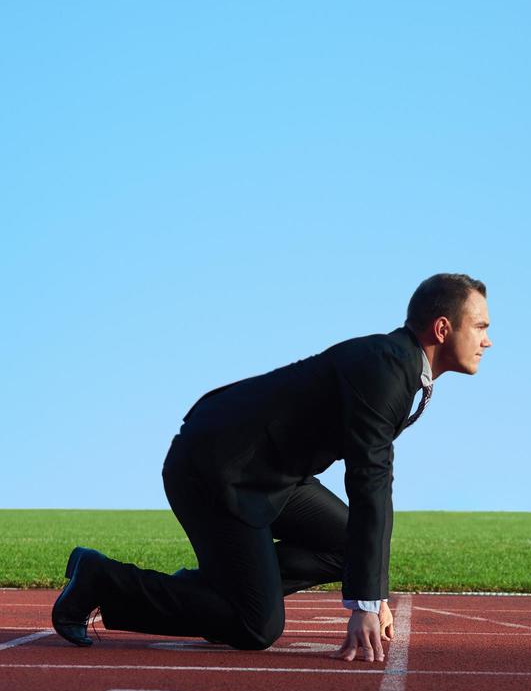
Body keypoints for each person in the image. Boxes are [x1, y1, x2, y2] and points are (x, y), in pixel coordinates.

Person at [51, 273, 491, 663]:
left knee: (348, 546)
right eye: (481, 327)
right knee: (256, 626)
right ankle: (102, 579)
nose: (487, 340)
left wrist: (370, 587)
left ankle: (217, 592)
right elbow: (369, 481)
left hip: (275, 473)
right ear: (442, 328)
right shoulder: (386, 370)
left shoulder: (397, 365)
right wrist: (366, 601)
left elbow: (367, 507)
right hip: (216, 469)